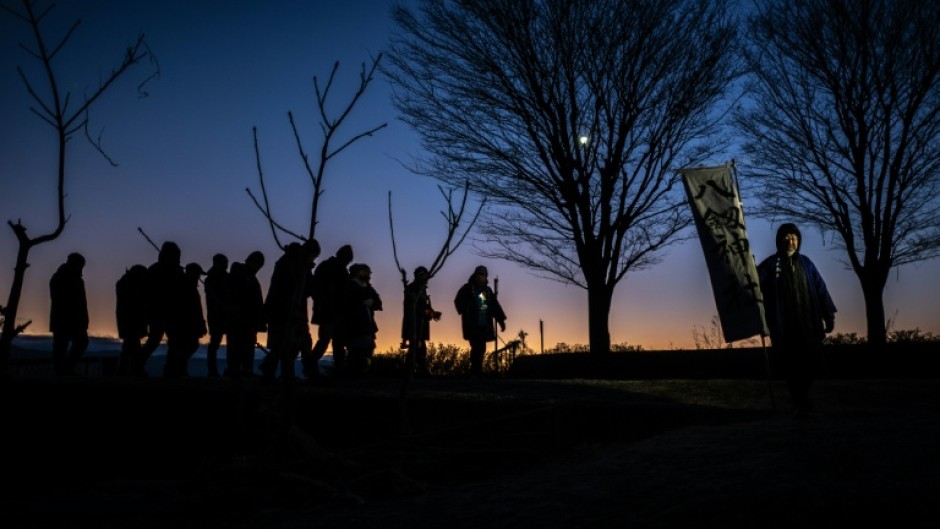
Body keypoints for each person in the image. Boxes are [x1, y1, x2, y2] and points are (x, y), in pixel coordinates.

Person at [757, 223, 837, 417]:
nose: (790, 241)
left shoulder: (807, 263)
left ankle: (802, 397)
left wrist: (828, 314)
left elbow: (820, 289)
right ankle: (799, 400)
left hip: (808, 321)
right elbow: (755, 284)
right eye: (786, 238)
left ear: (798, 241)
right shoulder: (770, 264)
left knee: (811, 362)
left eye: (794, 238)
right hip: (783, 324)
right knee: (790, 364)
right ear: (779, 241)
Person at [260, 239, 320, 383]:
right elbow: (297, 289)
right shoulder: (292, 264)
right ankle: (292, 373)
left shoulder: (292, 263)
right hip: (286, 311)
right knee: (290, 343)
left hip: (290, 311)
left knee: (291, 343)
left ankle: (281, 372)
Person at [137, 241, 185, 377]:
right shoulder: (156, 271)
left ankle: (169, 369)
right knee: (155, 341)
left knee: (174, 342)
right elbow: (150, 292)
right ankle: (138, 364)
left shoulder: (169, 271)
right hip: (158, 313)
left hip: (170, 313)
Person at [454, 265, 506, 378]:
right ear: (475, 275)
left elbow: (494, 306)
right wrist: (466, 308)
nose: (481, 277)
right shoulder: (467, 288)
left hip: (484, 324)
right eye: (479, 275)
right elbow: (458, 300)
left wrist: (501, 320)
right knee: (475, 346)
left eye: (483, 275)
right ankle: (474, 369)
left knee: (481, 348)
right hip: (472, 323)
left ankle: (477, 370)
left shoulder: (487, 291)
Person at [310, 244, 353, 376]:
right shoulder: (328, 267)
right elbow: (317, 289)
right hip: (328, 312)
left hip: (338, 313)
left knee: (338, 342)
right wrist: (323, 304)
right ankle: (311, 368)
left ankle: (338, 371)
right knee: (325, 341)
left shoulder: (341, 270)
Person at [225, 250, 266, 379]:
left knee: (245, 346)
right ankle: (237, 370)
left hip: (247, 320)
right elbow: (240, 297)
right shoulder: (241, 275)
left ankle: (243, 370)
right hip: (240, 319)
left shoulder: (249, 277)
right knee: (238, 345)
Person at [163, 262, 208, 379]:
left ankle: (176, 370)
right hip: (183, 324)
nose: (199, 277)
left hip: (182, 324)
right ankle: (175, 370)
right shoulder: (186, 287)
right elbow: (192, 309)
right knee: (185, 346)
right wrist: (199, 324)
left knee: (180, 346)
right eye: (197, 274)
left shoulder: (187, 286)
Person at [339, 263, 382, 378]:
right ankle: (353, 376)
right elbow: (346, 304)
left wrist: (371, 303)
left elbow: (378, 303)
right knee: (355, 351)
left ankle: (363, 374)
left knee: (368, 349)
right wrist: (361, 303)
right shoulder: (349, 286)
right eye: (366, 272)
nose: (369, 275)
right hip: (354, 325)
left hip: (368, 324)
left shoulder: (368, 287)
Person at [49, 252, 89, 376]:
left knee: (75, 343)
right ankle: (62, 371)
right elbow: (60, 299)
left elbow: (81, 303)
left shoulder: (74, 279)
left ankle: (64, 369)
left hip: (73, 319)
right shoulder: (61, 277)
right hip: (64, 319)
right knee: (62, 345)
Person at [401, 266, 442, 377]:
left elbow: (425, 306)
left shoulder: (422, 290)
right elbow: (415, 308)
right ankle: (414, 372)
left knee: (419, 348)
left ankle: (416, 372)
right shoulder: (413, 289)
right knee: (416, 348)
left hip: (421, 324)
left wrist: (432, 313)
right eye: (424, 275)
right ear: (420, 276)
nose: (427, 278)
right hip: (415, 324)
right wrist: (431, 313)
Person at [115, 264, 149, 376]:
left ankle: (125, 370)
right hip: (131, 322)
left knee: (129, 346)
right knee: (132, 347)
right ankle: (134, 370)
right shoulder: (130, 286)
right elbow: (136, 305)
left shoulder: (124, 284)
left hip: (128, 321)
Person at [203, 253, 229, 378]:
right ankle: (212, 371)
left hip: (220, 314)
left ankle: (214, 371)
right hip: (216, 315)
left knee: (216, 343)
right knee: (215, 343)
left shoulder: (215, 278)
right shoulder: (212, 279)